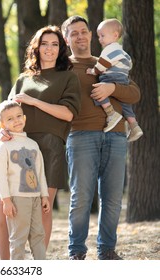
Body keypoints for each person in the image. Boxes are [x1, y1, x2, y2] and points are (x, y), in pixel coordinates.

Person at [0, 25, 81, 259]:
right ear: (37, 47)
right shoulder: (24, 79)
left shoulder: (68, 78)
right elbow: (6, 112)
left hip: (49, 147)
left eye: (55, 44)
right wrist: (2, 133)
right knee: (6, 209)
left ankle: (37, 266)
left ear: (61, 49)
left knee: (43, 208)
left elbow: (68, 114)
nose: (49, 49)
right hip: (18, 146)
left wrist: (34, 102)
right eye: (45, 44)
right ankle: (7, 267)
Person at [61, 15, 141, 260]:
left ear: (90, 35)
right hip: (80, 136)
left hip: (116, 136)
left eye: (83, 31)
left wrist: (112, 89)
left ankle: (107, 249)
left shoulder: (108, 60)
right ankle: (77, 251)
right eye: (73, 33)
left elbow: (135, 93)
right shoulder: (62, 68)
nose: (80, 36)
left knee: (113, 198)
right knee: (82, 197)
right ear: (66, 39)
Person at [0, 100, 50, 260]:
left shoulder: (33, 144)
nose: (16, 120)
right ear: (2, 123)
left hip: (34, 198)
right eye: (10, 119)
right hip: (17, 199)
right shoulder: (3, 147)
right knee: (18, 239)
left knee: (38, 235)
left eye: (19, 116)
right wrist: (6, 201)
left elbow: (40, 172)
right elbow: (0, 177)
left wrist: (44, 195)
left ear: (24, 118)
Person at [86, 18, 143, 142]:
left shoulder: (110, 49)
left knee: (98, 91)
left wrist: (93, 71)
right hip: (122, 78)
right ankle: (134, 125)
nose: (100, 39)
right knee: (125, 104)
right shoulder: (122, 52)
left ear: (115, 35)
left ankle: (111, 113)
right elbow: (129, 65)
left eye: (102, 35)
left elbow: (102, 64)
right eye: (98, 36)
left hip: (111, 77)